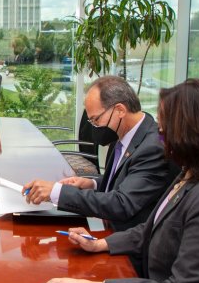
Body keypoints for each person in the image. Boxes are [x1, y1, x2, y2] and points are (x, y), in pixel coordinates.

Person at [37, 79, 199, 283]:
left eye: (165, 129)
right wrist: (100, 244)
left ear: (192, 133)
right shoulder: (194, 173)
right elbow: (155, 228)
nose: (160, 135)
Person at [24, 76, 179, 231]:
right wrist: (93, 183)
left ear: (120, 110)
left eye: (96, 119)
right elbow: (127, 178)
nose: (95, 126)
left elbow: (122, 203)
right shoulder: (128, 132)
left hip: (127, 241)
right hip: (107, 226)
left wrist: (56, 192)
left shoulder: (153, 148)